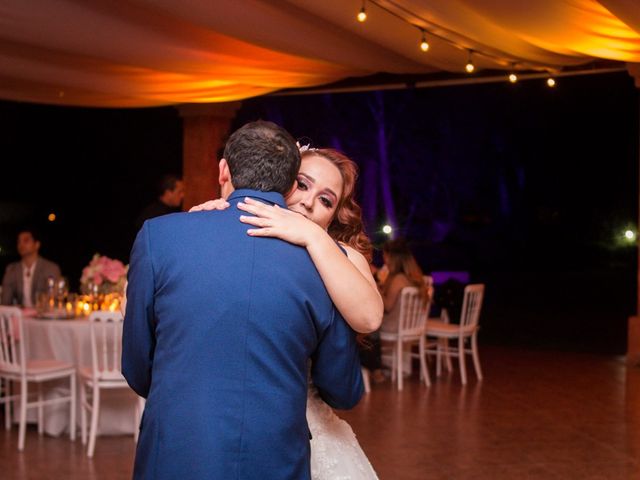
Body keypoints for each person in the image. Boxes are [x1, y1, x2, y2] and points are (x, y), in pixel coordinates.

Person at [123, 121, 364, 480]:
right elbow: (343, 389)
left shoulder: (159, 237)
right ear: (287, 186)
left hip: (177, 450)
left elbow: (137, 364)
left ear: (224, 169)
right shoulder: (324, 262)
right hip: (277, 456)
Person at [190, 147, 383, 479]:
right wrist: (204, 221)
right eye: (302, 184)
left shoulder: (341, 256)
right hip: (217, 424)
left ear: (334, 215)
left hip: (303, 430)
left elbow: (368, 318)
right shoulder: (234, 239)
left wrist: (311, 235)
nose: (309, 202)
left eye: (326, 200)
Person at [379, 238, 431, 333]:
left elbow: (387, 307)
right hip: (411, 326)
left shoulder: (398, 279)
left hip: (394, 327)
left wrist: (375, 287)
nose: (383, 258)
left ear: (391, 257)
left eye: (384, 255)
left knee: (365, 326)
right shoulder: (413, 277)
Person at [1, 228, 61, 307]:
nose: (21, 245)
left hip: (44, 315)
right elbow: (5, 301)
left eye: (26, 241)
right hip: (20, 317)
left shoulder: (50, 268)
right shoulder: (12, 269)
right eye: (19, 241)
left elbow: (55, 298)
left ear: (37, 244)